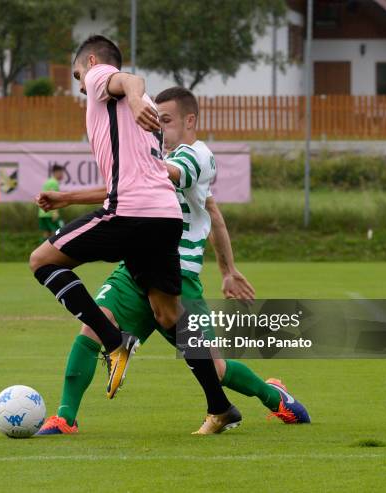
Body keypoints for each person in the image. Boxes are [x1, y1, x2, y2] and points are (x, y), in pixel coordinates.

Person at [35, 87, 310, 435]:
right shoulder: (155, 158)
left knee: (217, 369)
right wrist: (68, 198)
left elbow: (161, 177)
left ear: (190, 120)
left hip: (178, 276)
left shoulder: (198, 156)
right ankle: (65, 417)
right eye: (155, 121)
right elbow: (190, 207)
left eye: (165, 120)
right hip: (136, 266)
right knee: (94, 327)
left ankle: (274, 396)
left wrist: (228, 271)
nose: (159, 128)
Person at [29, 36, 235, 432]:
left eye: (77, 76)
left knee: (42, 261)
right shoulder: (137, 128)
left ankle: (113, 340)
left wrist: (139, 97)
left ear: (90, 62)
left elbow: (129, 79)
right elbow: (133, 178)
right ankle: (220, 406)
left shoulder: (103, 78)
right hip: (163, 218)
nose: (80, 86)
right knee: (169, 314)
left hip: (129, 214)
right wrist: (68, 197)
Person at [38, 164, 65, 241]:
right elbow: (53, 199)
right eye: (61, 173)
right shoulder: (54, 183)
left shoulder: (47, 182)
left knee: (46, 234)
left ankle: (41, 251)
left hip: (42, 213)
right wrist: (55, 212)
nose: (62, 175)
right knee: (57, 233)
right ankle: (54, 252)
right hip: (50, 212)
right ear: (56, 172)